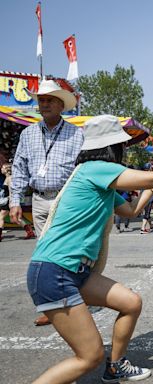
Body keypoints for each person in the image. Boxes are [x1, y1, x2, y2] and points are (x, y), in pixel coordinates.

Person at [26, 114, 153, 383]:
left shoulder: (96, 178)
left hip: (72, 271)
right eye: (122, 147)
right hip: (55, 271)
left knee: (131, 303)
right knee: (89, 357)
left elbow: (131, 210)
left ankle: (116, 366)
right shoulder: (96, 168)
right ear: (112, 147)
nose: (124, 152)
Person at [10, 79, 83, 327]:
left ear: (61, 104)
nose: (44, 104)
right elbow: (19, 169)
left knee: (65, 253)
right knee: (44, 254)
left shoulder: (76, 134)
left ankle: (70, 300)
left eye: (50, 99)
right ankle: (51, 306)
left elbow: (83, 171)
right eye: (41, 100)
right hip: (39, 200)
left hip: (66, 201)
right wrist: (15, 200)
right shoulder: (28, 134)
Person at [0, 163, 36, 241]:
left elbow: (11, 191)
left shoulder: (9, 178)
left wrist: (11, 202)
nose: (1, 169)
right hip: (11, 200)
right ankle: (29, 231)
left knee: (1, 217)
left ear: (6, 169)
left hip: (9, 200)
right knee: (17, 218)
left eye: (2, 168)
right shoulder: (9, 178)